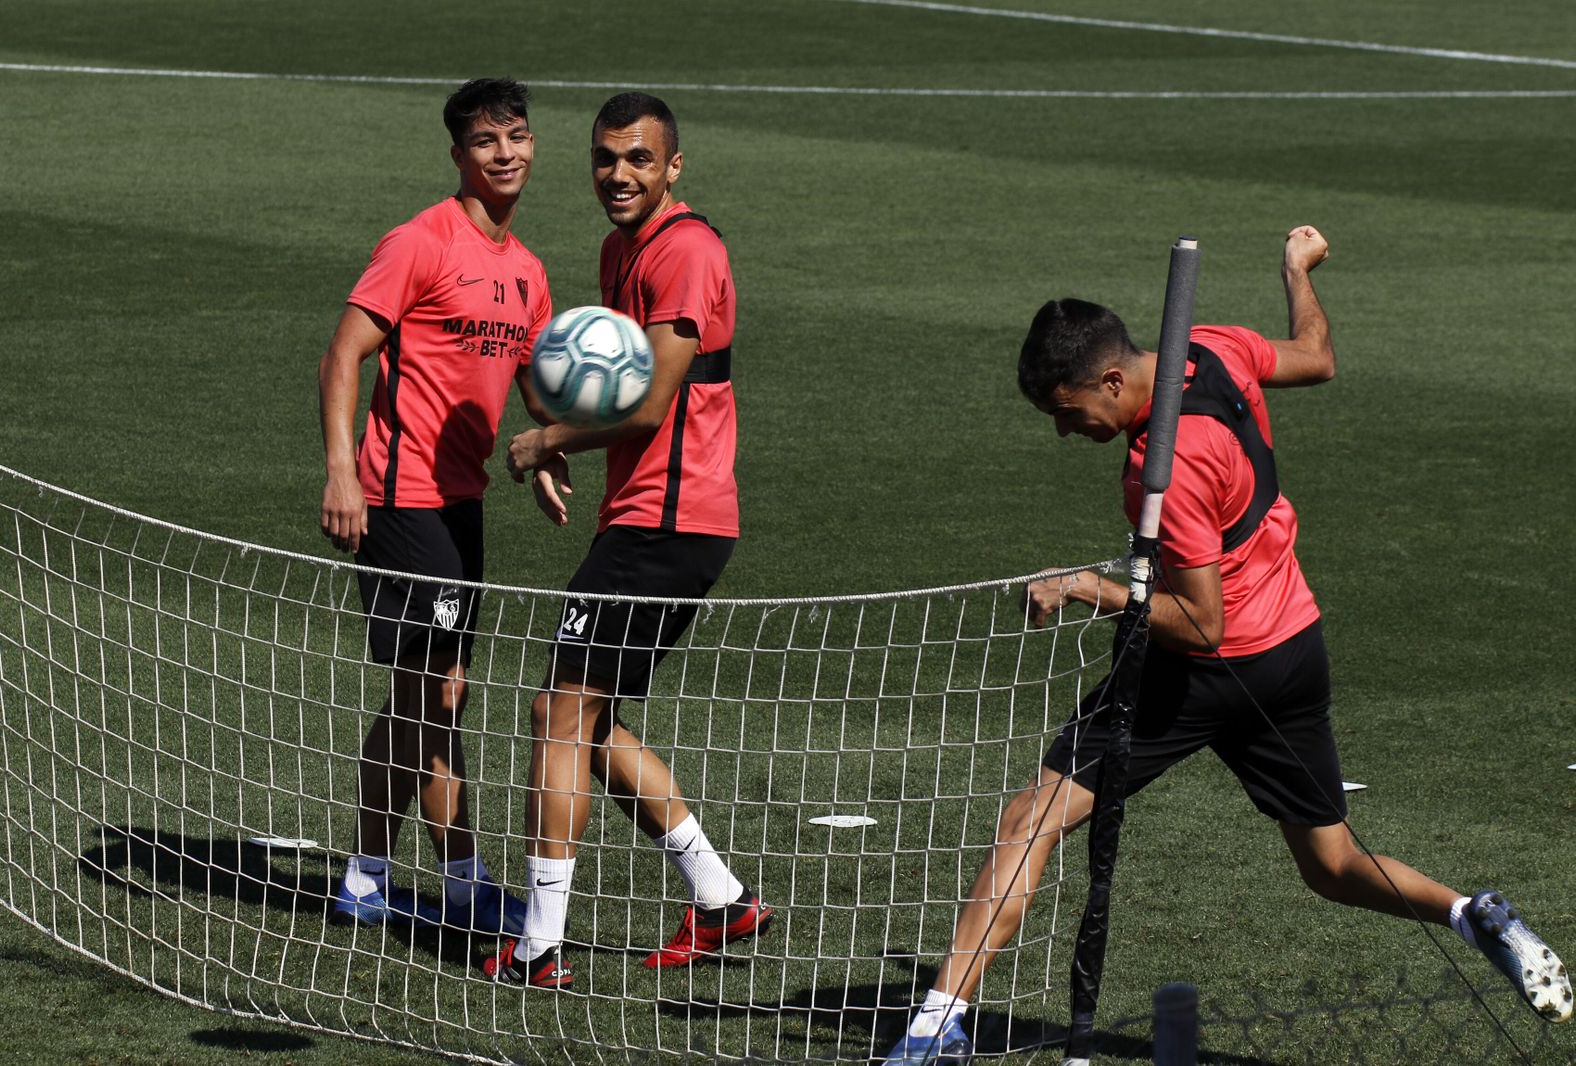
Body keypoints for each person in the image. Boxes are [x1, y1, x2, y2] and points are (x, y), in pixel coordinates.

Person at [884, 226, 1572, 1064]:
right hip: (1293, 646)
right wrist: (1295, 272)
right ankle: (1475, 913)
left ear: (1109, 379)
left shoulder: (1163, 471)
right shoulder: (1211, 348)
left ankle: (935, 1030)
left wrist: (1086, 587)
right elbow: (1316, 356)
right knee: (1332, 863)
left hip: (1205, 669)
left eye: (1067, 413)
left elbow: (1200, 622)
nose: (1066, 433)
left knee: (1030, 819)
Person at [482, 92, 770, 988]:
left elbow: (649, 404)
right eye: (606, 158)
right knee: (589, 721)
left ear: (673, 166)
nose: (619, 174)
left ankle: (539, 947)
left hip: (669, 522)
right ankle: (721, 899)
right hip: (648, 516)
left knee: (555, 715)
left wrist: (546, 440)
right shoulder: (623, 249)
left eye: (639, 159)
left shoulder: (686, 250)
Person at [318, 77, 551, 935]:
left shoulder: (527, 272)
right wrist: (343, 471)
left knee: (437, 689)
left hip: (463, 503)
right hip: (399, 496)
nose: (506, 154)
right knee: (433, 689)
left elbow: (530, 377)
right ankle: (405, 877)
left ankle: (398, 876)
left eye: (518, 136)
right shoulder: (419, 242)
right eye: (487, 142)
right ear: (459, 156)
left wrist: (552, 448)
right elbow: (344, 353)